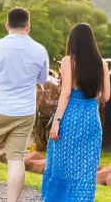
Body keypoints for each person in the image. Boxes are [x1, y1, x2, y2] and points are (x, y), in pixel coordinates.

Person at [0, 7, 48, 202]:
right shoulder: (40, 50)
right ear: (28, 27)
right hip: (24, 112)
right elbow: (42, 79)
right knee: (16, 158)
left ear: (7, 25)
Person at [42, 23, 111, 201]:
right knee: (85, 168)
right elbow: (106, 96)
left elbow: (65, 94)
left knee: (62, 165)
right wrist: (94, 94)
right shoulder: (101, 63)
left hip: (70, 117)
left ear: (72, 41)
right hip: (91, 119)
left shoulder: (68, 61)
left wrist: (56, 122)